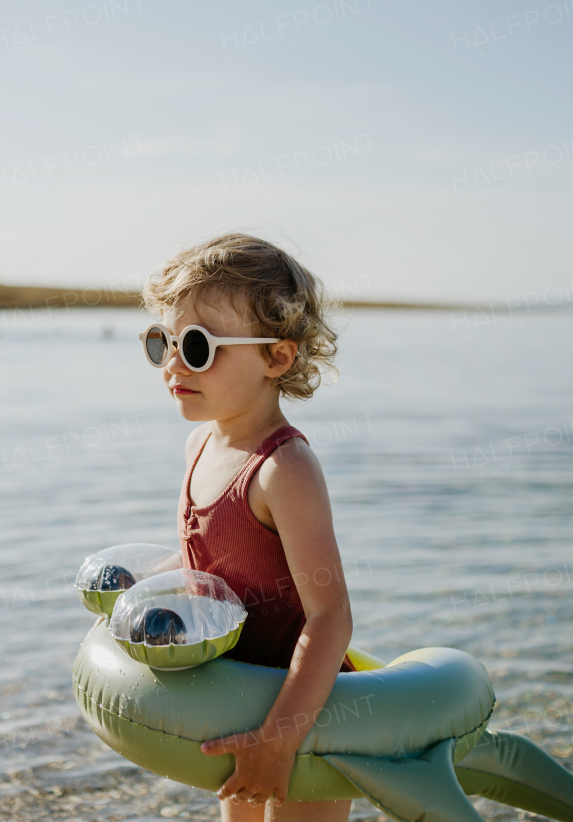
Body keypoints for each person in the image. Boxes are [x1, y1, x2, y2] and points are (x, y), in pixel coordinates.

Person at [140, 234, 352, 822]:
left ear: (276, 359)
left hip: (308, 719)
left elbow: (331, 616)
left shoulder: (284, 469)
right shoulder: (198, 444)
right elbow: (203, 572)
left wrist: (281, 738)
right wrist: (137, 596)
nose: (175, 364)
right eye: (165, 343)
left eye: (200, 347)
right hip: (240, 703)